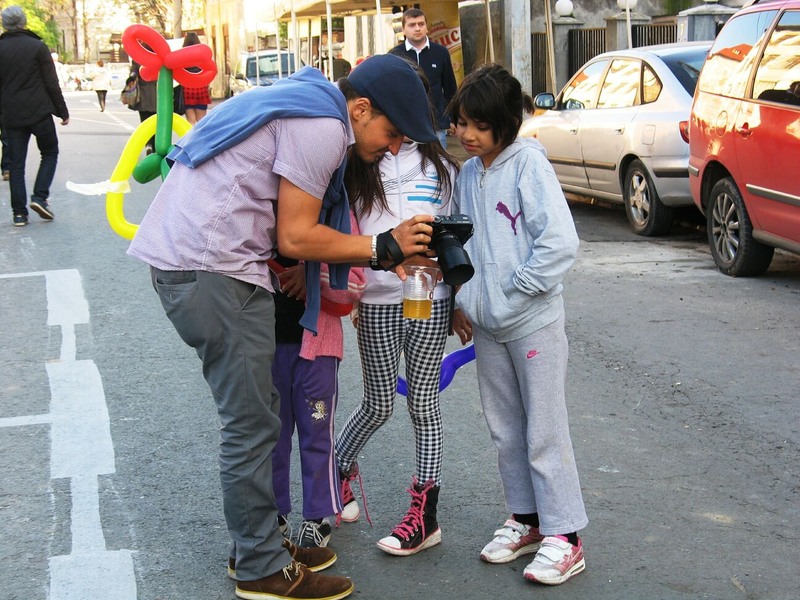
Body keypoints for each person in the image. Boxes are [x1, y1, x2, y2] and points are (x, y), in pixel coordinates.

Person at [126, 54, 438, 600]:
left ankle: (259, 545)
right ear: (361, 109)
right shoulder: (322, 127)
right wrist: (382, 246)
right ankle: (260, 568)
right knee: (251, 424)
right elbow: (296, 236)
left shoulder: (303, 102)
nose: (393, 149)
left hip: (203, 264)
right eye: (391, 133)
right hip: (214, 268)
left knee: (259, 416)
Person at [449, 64, 589, 587]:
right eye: (461, 122)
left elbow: (560, 242)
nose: (466, 134)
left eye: (478, 126)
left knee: (544, 429)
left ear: (506, 124)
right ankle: (527, 519)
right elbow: (457, 241)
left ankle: (565, 536)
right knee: (505, 429)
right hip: (488, 327)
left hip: (533, 323)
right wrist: (462, 299)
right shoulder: (468, 174)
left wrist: (516, 290)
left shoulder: (529, 163)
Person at [334, 127, 459, 557]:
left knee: (424, 404)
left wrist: (457, 299)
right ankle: (336, 469)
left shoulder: (442, 167)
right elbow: (349, 230)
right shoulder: (360, 159)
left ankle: (426, 517)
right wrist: (353, 291)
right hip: (377, 301)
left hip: (430, 298)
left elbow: (458, 234)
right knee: (378, 404)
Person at [271, 221, 366, 550]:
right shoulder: (263, 203)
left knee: (317, 434)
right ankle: (273, 514)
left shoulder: (337, 212)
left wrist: (311, 276)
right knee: (270, 436)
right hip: (264, 346)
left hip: (317, 348)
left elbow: (354, 283)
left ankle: (317, 516)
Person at [0, 5, 69, 227]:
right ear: (24, 22)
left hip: (11, 116)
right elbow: (51, 82)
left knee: (16, 165)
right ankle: (39, 197)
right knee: (50, 152)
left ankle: (19, 214)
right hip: (40, 113)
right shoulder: (37, 46)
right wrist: (62, 111)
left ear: (4, 24)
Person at [389, 8, 457, 148]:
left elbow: (450, 89)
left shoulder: (441, 52)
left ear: (427, 27)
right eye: (412, 25)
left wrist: (453, 118)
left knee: (438, 162)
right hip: (406, 127)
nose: (417, 28)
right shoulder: (394, 55)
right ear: (403, 29)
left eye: (421, 24)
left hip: (436, 126)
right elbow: (391, 92)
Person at [181, 32, 212, 124]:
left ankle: (192, 133)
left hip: (187, 90)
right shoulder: (202, 56)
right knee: (201, 122)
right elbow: (209, 71)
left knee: (191, 122)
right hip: (201, 90)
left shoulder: (182, 56)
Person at [127, 61, 157, 152]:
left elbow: (133, 74)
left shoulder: (138, 60)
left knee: (144, 122)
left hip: (142, 96)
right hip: (156, 94)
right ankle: (155, 145)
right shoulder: (157, 59)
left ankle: (148, 144)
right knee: (156, 122)